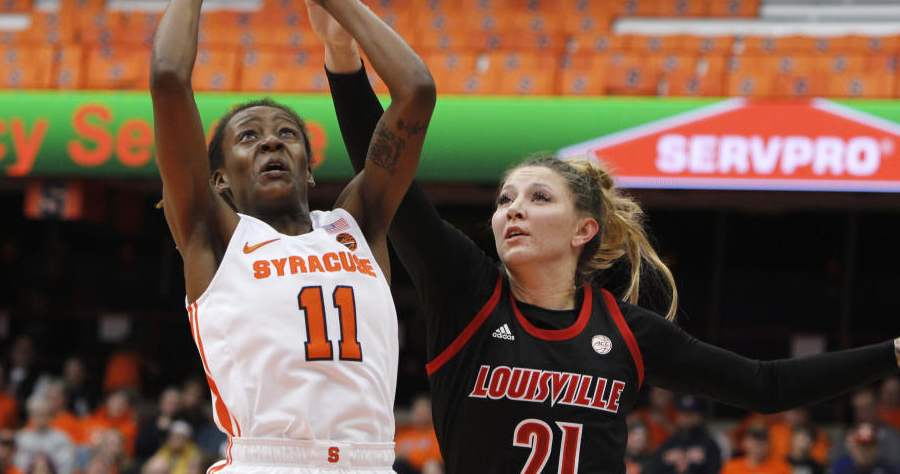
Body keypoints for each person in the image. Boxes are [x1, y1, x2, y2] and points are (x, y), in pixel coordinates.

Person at [323, 29, 900, 473]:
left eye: (537, 197)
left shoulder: (625, 330)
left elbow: (765, 386)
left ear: (584, 231)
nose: (511, 210)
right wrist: (341, 57)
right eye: (504, 200)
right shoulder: (466, 291)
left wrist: (892, 353)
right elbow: (388, 174)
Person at [149, 0, 435, 474]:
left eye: (286, 133)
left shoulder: (359, 224)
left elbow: (416, 92)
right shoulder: (213, 236)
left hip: (370, 461)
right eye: (249, 138)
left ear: (309, 164)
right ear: (220, 181)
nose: (273, 141)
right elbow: (167, 77)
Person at [647, 396, 721, 474]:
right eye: (683, 414)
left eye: (691, 414)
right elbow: (653, 470)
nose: (687, 418)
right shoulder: (668, 444)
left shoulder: (709, 445)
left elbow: (715, 469)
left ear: (700, 416)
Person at [14, 397, 74, 474]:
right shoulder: (22, 438)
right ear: (30, 417)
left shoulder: (61, 438)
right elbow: (19, 466)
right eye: (36, 414)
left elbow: (66, 467)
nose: (40, 418)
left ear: (50, 416)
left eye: (43, 414)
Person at [722, 424, 791, 474]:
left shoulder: (781, 468)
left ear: (769, 444)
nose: (758, 446)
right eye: (754, 441)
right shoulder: (731, 467)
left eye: (762, 441)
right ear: (745, 442)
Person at [832, 424, 900, 474]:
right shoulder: (839, 468)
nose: (865, 450)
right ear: (852, 447)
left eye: (870, 445)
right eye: (860, 445)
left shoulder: (889, 470)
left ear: (877, 448)